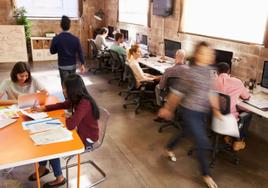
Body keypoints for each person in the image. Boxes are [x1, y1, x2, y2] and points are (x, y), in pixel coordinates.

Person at [158, 42, 222, 188]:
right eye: (206, 53)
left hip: (202, 112)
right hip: (190, 111)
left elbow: (210, 92)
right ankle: (206, 175)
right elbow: (176, 93)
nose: (210, 56)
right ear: (198, 55)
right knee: (203, 143)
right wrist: (168, 109)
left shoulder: (209, 71)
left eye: (210, 53)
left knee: (185, 133)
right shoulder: (189, 72)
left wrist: (216, 110)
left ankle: (169, 147)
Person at [28, 74, 100, 188]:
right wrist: (44, 108)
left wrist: (68, 116)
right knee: (44, 141)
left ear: (73, 89)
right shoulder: (76, 99)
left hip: (86, 138)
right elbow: (62, 104)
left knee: (51, 146)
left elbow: (71, 125)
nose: (63, 90)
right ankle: (42, 168)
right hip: (79, 131)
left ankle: (59, 178)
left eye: (65, 88)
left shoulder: (84, 103)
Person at [213, 62, 252, 151]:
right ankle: (238, 141)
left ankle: (228, 136)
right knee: (247, 113)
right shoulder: (237, 82)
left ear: (216, 72)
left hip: (213, 117)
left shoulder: (211, 81)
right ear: (229, 71)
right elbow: (246, 97)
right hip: (228, 119)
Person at [50, 15, 85, 87]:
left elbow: (52, 51)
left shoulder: (56, 38)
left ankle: (67, 97)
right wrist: (82, 64)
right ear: (70, 26)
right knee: (72, 84)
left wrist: (59, 48)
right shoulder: (75, 39)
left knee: (65, 84)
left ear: (60, 25)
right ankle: (72, 97)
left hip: (63, 65)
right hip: (73, 65)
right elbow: (80, 52)